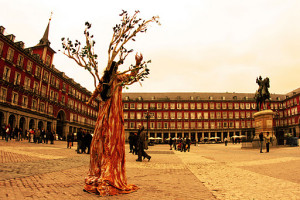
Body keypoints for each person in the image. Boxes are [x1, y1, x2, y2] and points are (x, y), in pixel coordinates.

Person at [83, 54, 143, 195]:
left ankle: (105, 172)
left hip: (111, 112)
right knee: (103, 140)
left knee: (107, 139)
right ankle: (103, 173)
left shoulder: (114, 78)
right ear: (113, 69)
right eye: (116, 68)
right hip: (109, 112)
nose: (117, 70)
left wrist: (137, 64)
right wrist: (90, 100)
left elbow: (132, 76)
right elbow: (98, 89)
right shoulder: (110, 79)